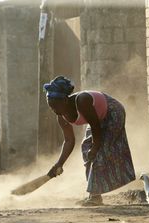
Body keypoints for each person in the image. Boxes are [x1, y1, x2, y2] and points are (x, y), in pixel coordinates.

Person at [44, 75, 136, 206]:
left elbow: (95, 125)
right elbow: (69, 141)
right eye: (50, 106)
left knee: (98, 151)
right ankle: (94, 193)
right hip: (98, 119)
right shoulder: (61, 117)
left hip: (113, 112)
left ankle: (94, 196)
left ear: (65, 100)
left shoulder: (82, 101)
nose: (53, 110)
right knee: (86, 148)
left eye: (55, 105)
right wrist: (59, 164)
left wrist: (96, 146)